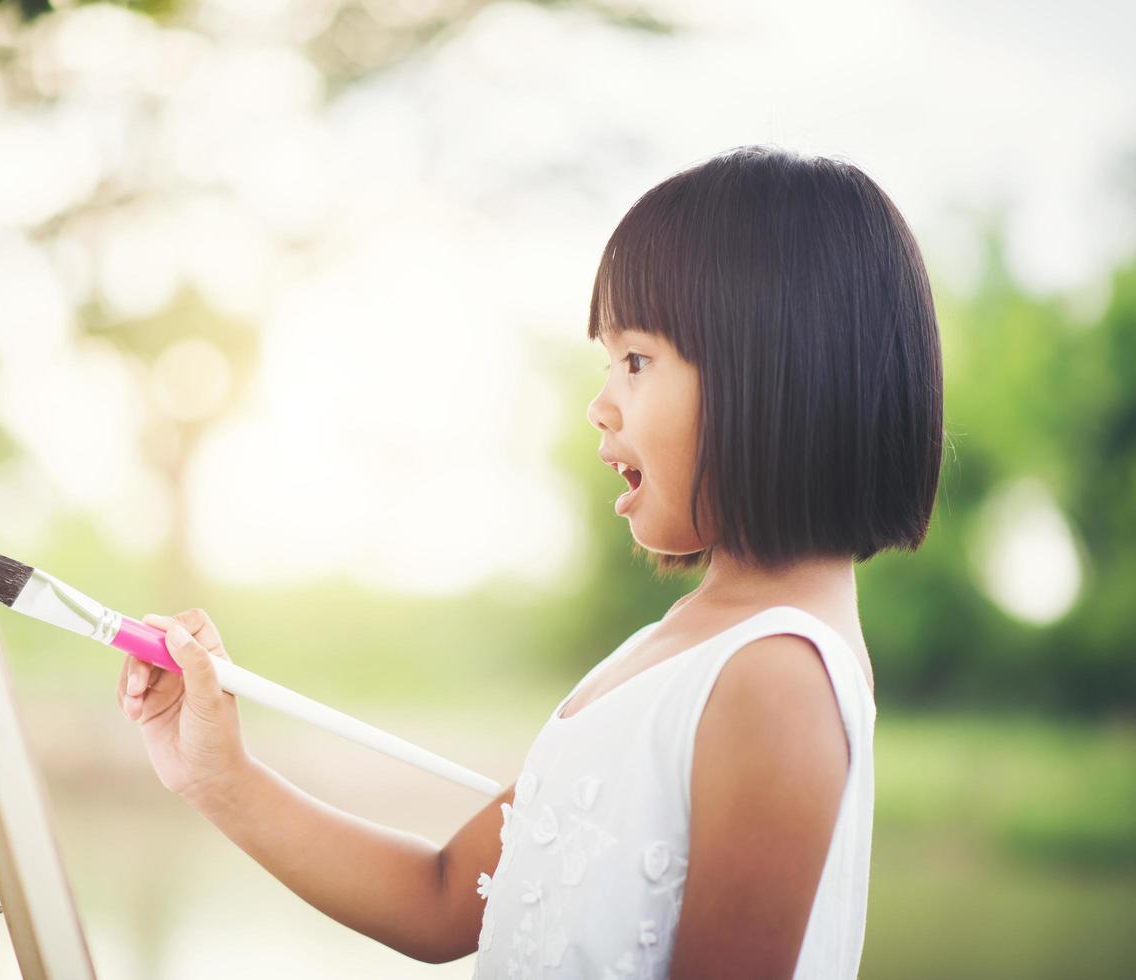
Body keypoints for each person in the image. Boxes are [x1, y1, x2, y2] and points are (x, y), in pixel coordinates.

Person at [117, 144, 944, 978]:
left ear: (772, 370)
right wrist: (218, 777)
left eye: (635, 360)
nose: (599, 402)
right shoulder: (669, 649)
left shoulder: (775, 679)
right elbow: (443, 899)